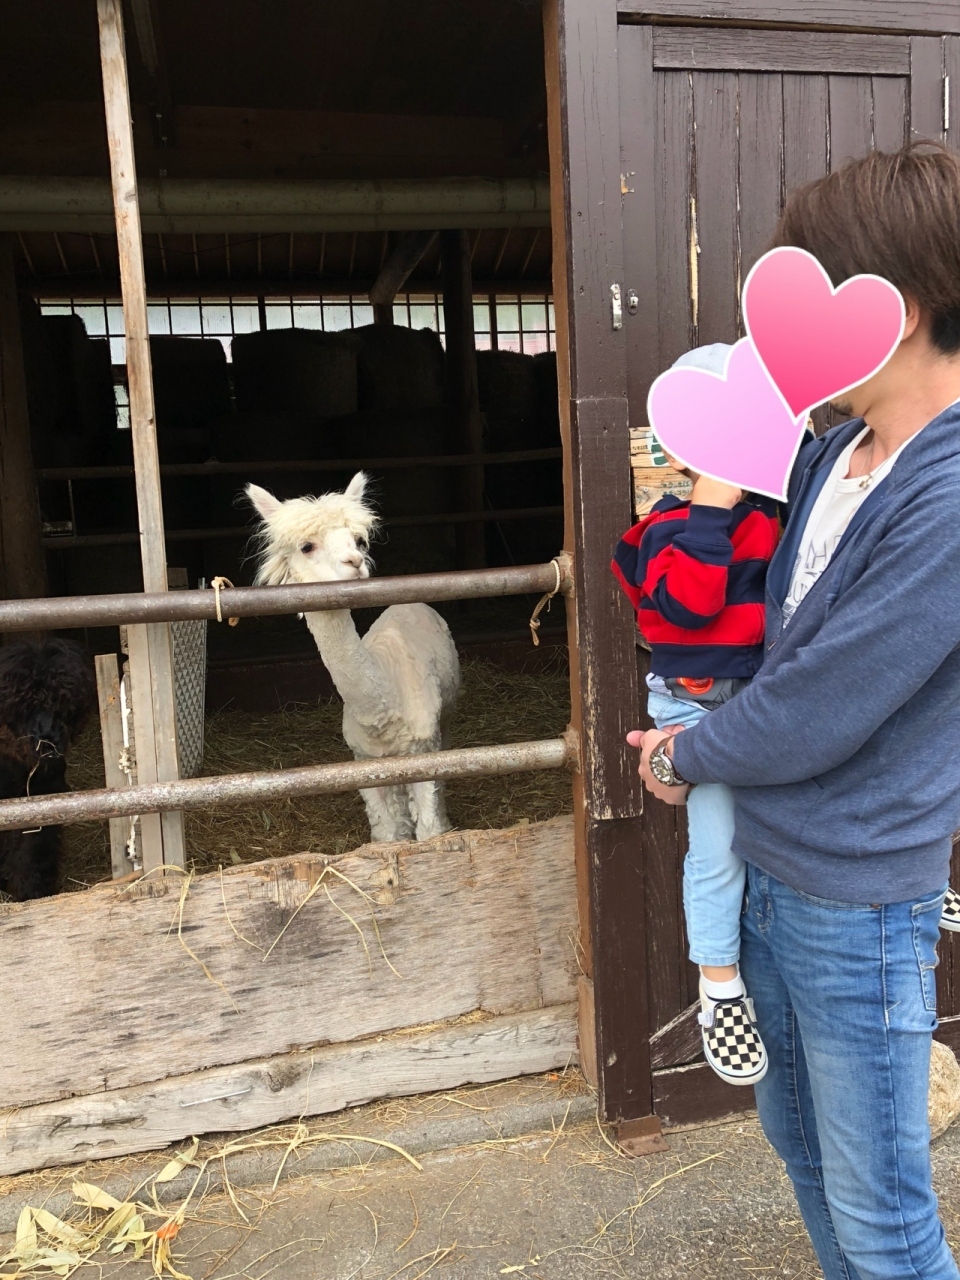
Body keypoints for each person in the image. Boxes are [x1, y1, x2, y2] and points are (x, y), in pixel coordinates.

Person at [632, 142, 960, 1280]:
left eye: (814, 295)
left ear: (900, 306)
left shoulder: (951, 487)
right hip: (773, 862)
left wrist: (684, 753)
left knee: (882, 1207)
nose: (784, 344)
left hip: (858, 892)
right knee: (802, 1145)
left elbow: (826, 701)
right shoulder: (833, 455)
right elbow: (771, 640)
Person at [612, 343, 778, 1086]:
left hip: (764, 700)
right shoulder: (664, 529)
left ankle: (900, 886)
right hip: (698, 707)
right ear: (682, 451)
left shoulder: (777, 517)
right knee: (718, 850)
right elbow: (685, 608)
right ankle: (719, 990)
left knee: (830, 792)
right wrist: (710, 512)